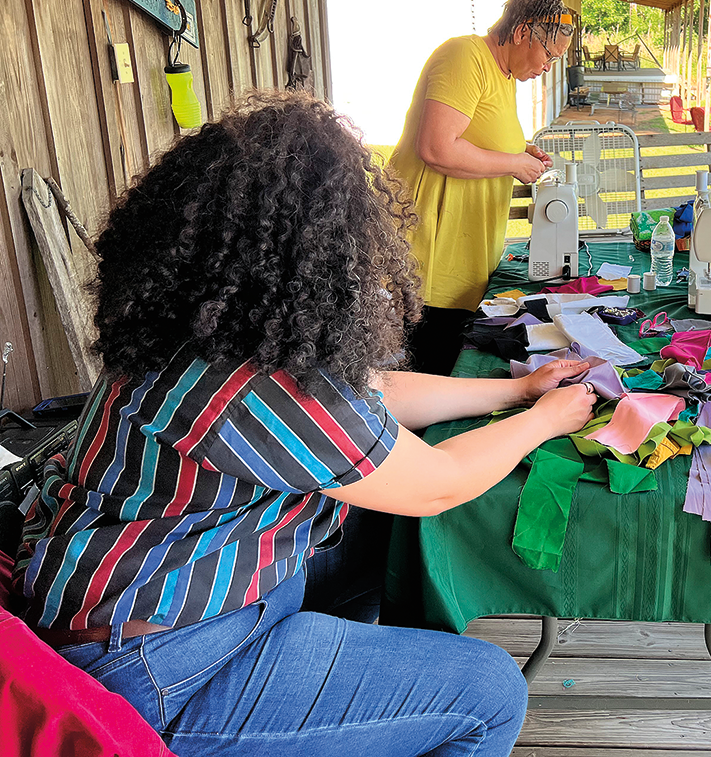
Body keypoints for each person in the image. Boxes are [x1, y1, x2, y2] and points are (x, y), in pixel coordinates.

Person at [16, 92, 598, 757]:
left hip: (144, 604)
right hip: (158, 666)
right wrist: (546, 420)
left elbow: (380, 392)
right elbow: (438, 484)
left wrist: (515, 391)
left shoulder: (197, 332)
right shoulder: (248, 384)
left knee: (385, 535)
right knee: (491, 694)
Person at [389, 0, 575, 375]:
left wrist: (520, 149)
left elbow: (477, 133)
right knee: (429, 369)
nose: (548, 67)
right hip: (430, 252)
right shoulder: (464, 56)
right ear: (524, 32)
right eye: (548, 55)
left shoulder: (503, 74)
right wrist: (513, 162)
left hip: (465, 251)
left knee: (448, 362)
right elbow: (437, 147)